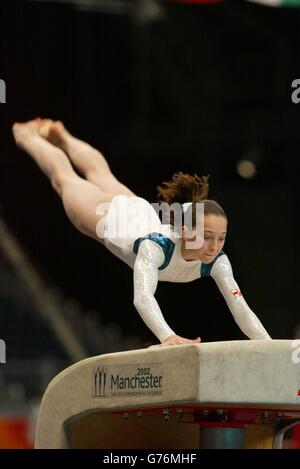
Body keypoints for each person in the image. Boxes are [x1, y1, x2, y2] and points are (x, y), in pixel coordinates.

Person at [12, 118, 271, 347]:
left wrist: (270, 346)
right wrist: (167, 335)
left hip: (138, 213)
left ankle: (63, 136)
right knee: (64, 179)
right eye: (207, 236)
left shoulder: (217, 261)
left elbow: (240, 307)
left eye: (221, 238)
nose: (214, 246)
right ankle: (27, 135)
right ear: (184, 230)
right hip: (107, 217)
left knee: (100, 173)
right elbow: (143, 296)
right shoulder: (156, 248)